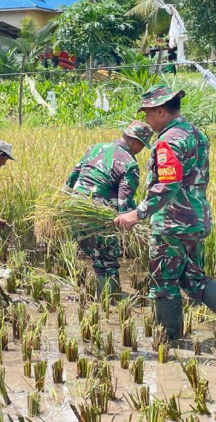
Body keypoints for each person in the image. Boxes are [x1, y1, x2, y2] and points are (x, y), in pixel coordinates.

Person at [114, 85, 216, 351]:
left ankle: (168, 340)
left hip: (172, 223)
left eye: (147, 113)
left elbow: (167, 184)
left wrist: (137, 214)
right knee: (191, 278)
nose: (146, 119)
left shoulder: (168, 141)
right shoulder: (195, 133)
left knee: (164, 282)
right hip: (195, 219)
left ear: (160, 111)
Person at [66, 121, 155, 298]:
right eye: (142, 147)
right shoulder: (129, 164)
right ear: (136, 142)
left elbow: (71, 178)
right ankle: (110, 301)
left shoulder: (94, 148)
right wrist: (136, 221)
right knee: (107, 261)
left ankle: (102, 299)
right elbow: (123, 202)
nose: (140, 151)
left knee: (97, 258)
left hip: (75, 209)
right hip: (99, 213)